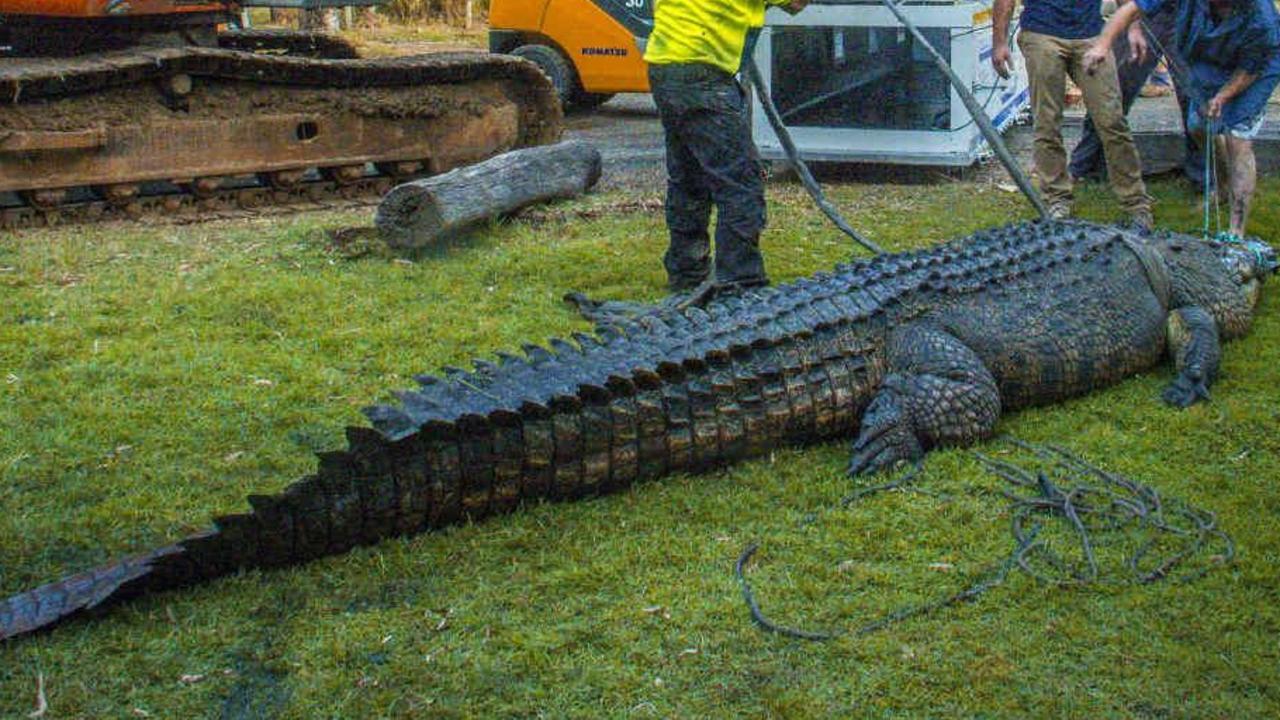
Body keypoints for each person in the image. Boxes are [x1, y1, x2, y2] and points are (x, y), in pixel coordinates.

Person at [644, 0, 808, 293]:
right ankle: (740, 283)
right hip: (703, 72)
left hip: (665, 65)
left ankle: (687, 275)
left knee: (689, 179)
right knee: (740, 182)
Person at [1085, 0, 1280, 239]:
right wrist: (1103, 46)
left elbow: (1251, 69)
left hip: (1252, 73)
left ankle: (1235, 232)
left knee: (1237, 139)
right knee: (1198, 127)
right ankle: (1221, 185)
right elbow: (1131, 7)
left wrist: (1222, 97)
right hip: (1207, 60)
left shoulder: (1262, 18)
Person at [993, 0, 1155, 229]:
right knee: (1046, 124)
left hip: (1091, 35)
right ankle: (1057, 200)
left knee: (1112, 122)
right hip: (1041, 34)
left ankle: (1136, 204)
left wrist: (1134, 27)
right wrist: (999, 42)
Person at [1070, 6, 1203, 186]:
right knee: (1114, 88)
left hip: (1190, 11)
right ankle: (1086, 165)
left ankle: (1205, 175)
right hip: (1143, 10)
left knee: (1194, 94)